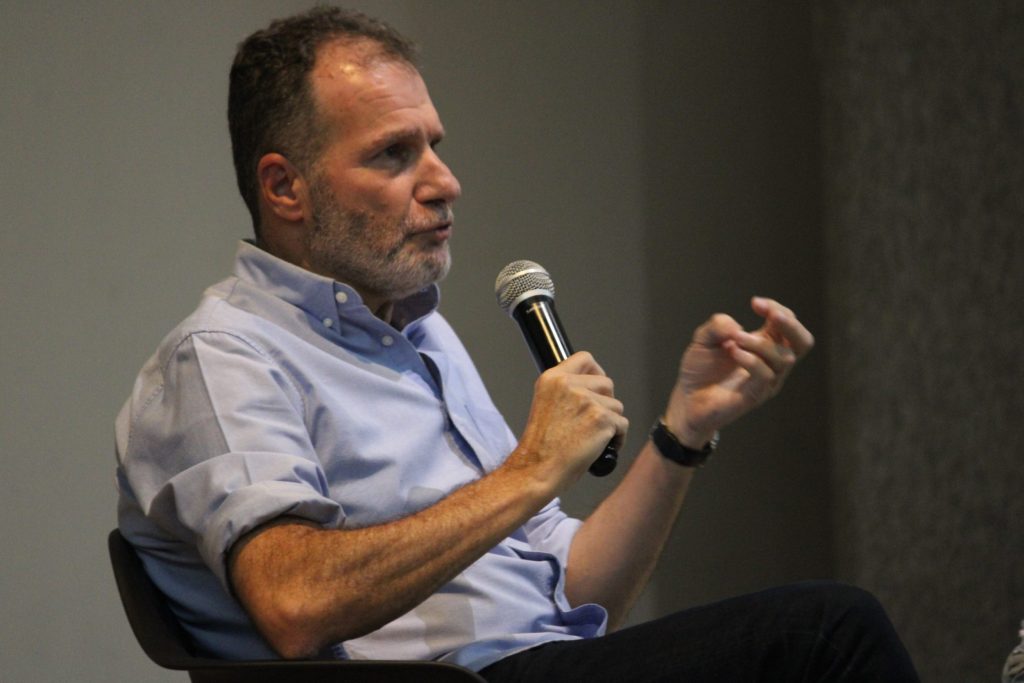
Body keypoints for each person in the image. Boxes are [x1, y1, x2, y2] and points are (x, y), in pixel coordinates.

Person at [115, 6, 920, 681]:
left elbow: (576, 590)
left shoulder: (419, 332)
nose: (445, 181)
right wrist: (531, 468)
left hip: (541, 659)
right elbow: (293, 603)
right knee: (828, 633)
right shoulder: (223, 357)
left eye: (435, 144)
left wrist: (682, 434)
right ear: (285, 187)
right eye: (394, 154)